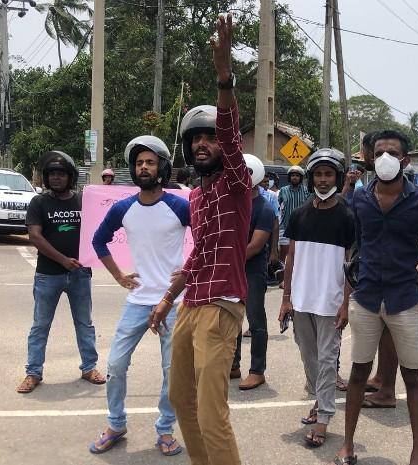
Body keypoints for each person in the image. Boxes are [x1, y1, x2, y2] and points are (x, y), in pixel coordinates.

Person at [149, 14, 251, 465]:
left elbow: (231, 135)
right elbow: (198, 254)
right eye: (197, 140)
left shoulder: (236, 184)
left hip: (222, 305)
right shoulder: (197, 194)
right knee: (179, 400)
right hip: (192, 304)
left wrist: (224, 76)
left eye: (211, 138)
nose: (204, 144)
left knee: (213, 414)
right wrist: (168, 299)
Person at [330, 129, 418, 465]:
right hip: (366, 299)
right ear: (369, 157)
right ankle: (348, 445)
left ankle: (417, 450)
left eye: (392, 153)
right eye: (379, 152)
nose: (385, 158)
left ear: (405, 160)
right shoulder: (361, 198)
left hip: (404, 299)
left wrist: (407, 260)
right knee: (359, 373)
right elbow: (358, 243)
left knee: (412, 376)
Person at [89, 136, 187, 456]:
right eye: (139, 163)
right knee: (116, 365)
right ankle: (116, 424)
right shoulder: (123, 208)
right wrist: (118, 275)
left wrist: (188, 272)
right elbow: (99, 240)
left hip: (171, 302)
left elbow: (206, 239)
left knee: (172, 372)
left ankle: (165, 430)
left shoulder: (178, 205)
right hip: (137, 300)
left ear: (162, 167)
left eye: (150, 162)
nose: (143, 167)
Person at [279, 148, 355, 448]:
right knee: (308, 358)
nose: (324, 180)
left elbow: (351, 265)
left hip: (331, 302)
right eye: (319, 174)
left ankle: (323, 417)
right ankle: (318, 399)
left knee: (326, 360)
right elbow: (292, 258)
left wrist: (346, 303)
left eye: (329, 174)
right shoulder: (299, 215)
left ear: (337, 177)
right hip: (301, 300)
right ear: (312, 178)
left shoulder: (347, 216)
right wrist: (286, 298)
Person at [17, 151, 105, 394]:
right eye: (52, 174)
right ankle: (33, 373)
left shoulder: (82, 201)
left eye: (61, 173)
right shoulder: (40, 203)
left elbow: (98, 228)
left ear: (70, 177)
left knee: (84, 323)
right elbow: (35, 235)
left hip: (80, 274)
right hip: (48, 274)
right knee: (40, 325)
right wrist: (63, 260)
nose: (56, 178)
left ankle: (89, 367)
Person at [230, 154, 275, 390]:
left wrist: (228, 261)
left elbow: (255, 246)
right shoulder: (233, 204)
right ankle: (233, 365)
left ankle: (257, 370)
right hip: (233, 269)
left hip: (252, 271)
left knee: (255, 320)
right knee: (232, 319)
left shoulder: (264, 208)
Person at [278, 164, 310, 261]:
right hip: (285, 226)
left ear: (301, 177)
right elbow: (279, 207)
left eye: (297, 175)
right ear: (289, 177)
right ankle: (283, 274)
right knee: (284, 256)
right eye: (292, 175)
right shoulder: (283, 190)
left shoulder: (306, 190)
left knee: (299, 256)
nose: (294, 177)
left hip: (302, 227)